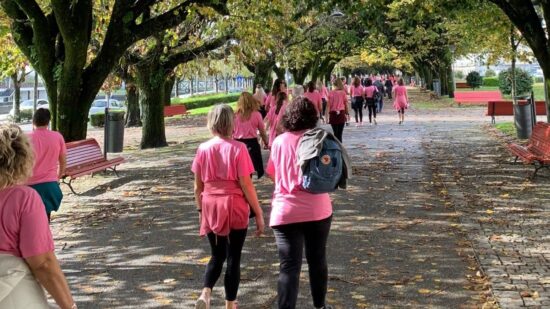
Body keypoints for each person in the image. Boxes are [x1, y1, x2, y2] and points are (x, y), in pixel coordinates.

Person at [192, 105, 265, 309]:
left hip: (210, 205)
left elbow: (197, 188)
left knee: (217, 254)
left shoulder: (203, 149)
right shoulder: (239, 148)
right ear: (231, 123)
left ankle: (206, 292)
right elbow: (246, 184)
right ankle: (230, 305)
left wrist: (201, 212)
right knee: (234, 256)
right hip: (234, 206)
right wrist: (258, 213)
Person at [266, 97, 334, 309]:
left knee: (289, 267)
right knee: (317, 260)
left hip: (285, 211)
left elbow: (272, 174)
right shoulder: (319, 139)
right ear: (313, 116)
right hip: (317, 208)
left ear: (289, 117)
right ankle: (320, 306)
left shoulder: (279, 142)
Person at [0, 124, 76, 309]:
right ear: (23, 158)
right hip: (14, 294)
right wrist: (69, 306)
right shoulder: (23, 198)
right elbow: (42, 263)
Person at [26, 108, 66, 222]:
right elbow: (63, 161)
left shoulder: (26, 138)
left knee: (29, 219)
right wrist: (58, 177)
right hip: (50, 185)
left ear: (33, 121)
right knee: (45, 216)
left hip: (28, 185)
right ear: (48, 122)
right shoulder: (57, 137)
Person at [233, 92, 269, 179]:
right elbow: (262, 132)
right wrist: (266, 142)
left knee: (239, 169)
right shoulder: (256, 115)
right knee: (250, 168)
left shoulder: (235, 116)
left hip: (237, 144)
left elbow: (231, 132)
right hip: (252, 144)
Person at [325, 78, 348, 142]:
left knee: (335, 133)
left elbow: (328, 106)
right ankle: (340, 148)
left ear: (334, 84)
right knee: (340, 134)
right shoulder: (343, 93)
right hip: (341, 113)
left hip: (333, 114)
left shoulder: (330, 93)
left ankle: (336, 148)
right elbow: (346, 104)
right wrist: (347, 113)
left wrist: (326, 117)